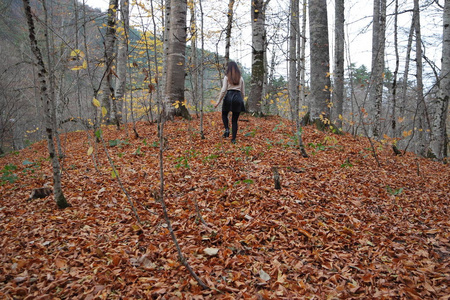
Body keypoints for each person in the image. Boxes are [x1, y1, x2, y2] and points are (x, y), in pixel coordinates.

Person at [214, 61, 245, 143]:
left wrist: (218, 102)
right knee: (235, 120)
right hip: (238, 98)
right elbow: (243, 92)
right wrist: (242, 101)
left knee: (224, 114)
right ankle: (233, 139)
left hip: (228, 97)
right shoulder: (241, 78)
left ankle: (227, 129)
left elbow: (223, 90)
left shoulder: (226, 77)